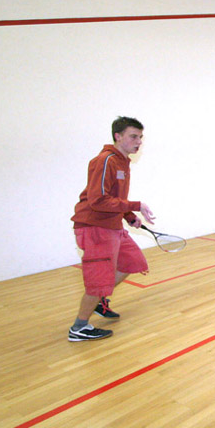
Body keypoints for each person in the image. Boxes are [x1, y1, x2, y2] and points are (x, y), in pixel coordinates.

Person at [68, 116, 155, 342]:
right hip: (95, 228)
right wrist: (135, 205)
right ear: (118, 136)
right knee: (99, 280)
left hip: (112, 225)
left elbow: (113, 198)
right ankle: (79, 327)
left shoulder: (122, 162)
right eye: (133, 136)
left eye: (140, 137)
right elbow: (98, 200)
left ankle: (99, 302)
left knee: (133, 262)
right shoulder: (105, 160)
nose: (139, 142)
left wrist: (128, 216)